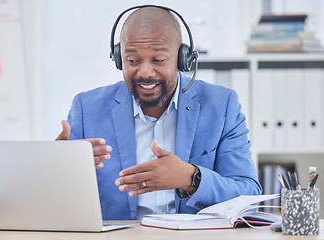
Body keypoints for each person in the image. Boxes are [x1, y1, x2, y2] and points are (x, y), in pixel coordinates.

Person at [56, 5, 262, 220]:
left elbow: (248, 197)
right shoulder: (86, 108)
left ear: (182, 58)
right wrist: (55, 167)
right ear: (119, 59)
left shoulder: (222, 105)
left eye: (158, 60)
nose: (145, 72)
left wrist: (191, 178)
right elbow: (61, 202)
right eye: (133, 61)